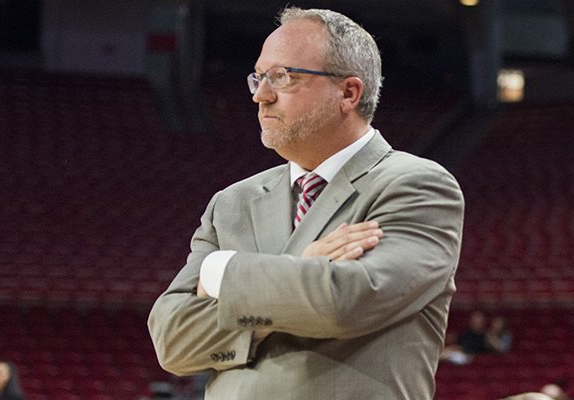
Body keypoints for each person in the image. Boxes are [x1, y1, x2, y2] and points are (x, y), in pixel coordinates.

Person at [148, 6, 464, 400]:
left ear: (348, 92)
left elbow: (344, 301)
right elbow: (172, 338)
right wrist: (298, 271)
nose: (261, 95)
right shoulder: (231, 203)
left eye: (282, 77)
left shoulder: (416, 185)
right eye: (259, 78)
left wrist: (221, 272)